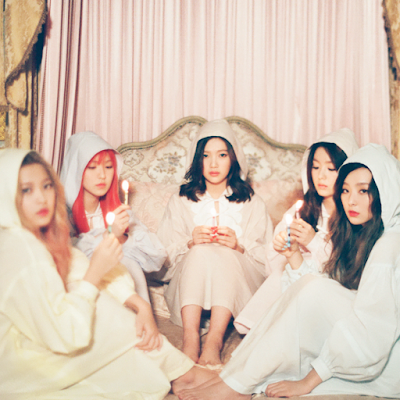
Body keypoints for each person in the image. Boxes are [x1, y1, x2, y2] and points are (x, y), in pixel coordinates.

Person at [177, 144, 400, 400]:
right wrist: (293, 255)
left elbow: (370, 335)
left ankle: (235, 386)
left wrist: (308, 382)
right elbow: (332, 287)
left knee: (314, 288)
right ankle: (230, 378)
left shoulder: (389, 246)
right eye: (346, 190)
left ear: (385, 191)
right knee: (310, 285)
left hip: (385, 366)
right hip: (365, 348)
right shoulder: (364, 232)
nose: (351, 200)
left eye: (363, 191)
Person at [0, 149, 216, 398]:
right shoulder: (22, 248)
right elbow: (67, 333)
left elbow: (77, 264)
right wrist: (95, 273)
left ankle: (181, 373)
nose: (41, 198)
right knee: (101, 309)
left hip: (39, 343)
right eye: (26, 190)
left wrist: (140, 305)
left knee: (102, 302)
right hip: (17, 366)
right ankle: (184, 374)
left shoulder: (26, 234)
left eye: (46, 186)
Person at [157, 119, 273, 366]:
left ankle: (214, 340)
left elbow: (269, 259)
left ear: (233, 158)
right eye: (206, 155)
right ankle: (190, 338)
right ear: (197, 159)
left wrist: (239, 246)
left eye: (221, 155)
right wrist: (190, 244)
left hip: (240, 283)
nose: (213, 164)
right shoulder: (181, 200)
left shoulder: (251, 202)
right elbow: (162, 256)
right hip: (189, 281)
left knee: (226, 253)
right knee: (199, 251)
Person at [234, 129, 359, 334]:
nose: (321, 176)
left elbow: (348, 268)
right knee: (283, 273)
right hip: (295, 282)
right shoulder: (303, 211)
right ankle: (260, 327)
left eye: (331, 168)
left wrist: (313, 242)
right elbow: (273, 267)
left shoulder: (355, 213)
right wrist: (281, 246)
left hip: (334, 292)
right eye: (315, 167)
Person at [60, 131, 167, 303]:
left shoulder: (120, 213)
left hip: (123, 296)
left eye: (108, 167)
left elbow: (156, 258)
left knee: (127, 262)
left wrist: (122, 237)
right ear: (76, 170)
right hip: (83, 293)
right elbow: (68, 259)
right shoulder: (61, 215)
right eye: (92, 167)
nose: (102, 175)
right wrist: (108, 236)